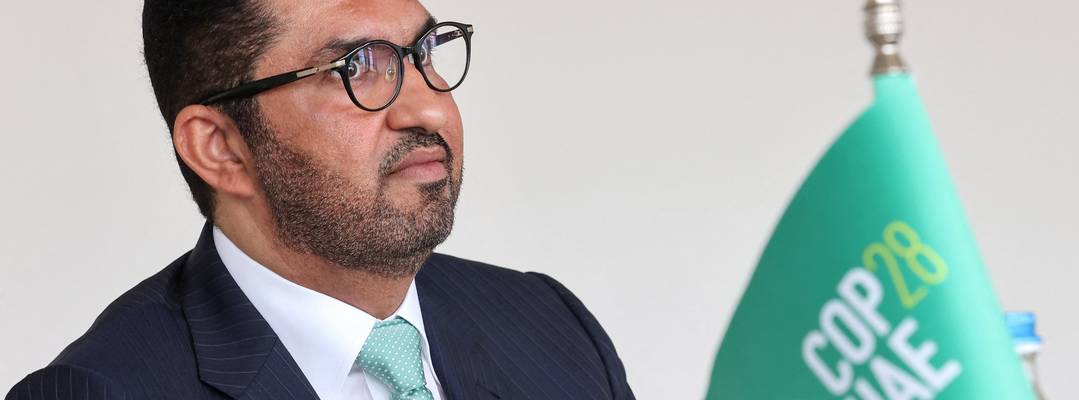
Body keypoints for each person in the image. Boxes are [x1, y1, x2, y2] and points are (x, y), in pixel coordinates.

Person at [5, 0, 634, 399]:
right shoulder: (98, 391)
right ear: (220, 147)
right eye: (356, 67)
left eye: (425, 52)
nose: (430, 107)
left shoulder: (551, 325)